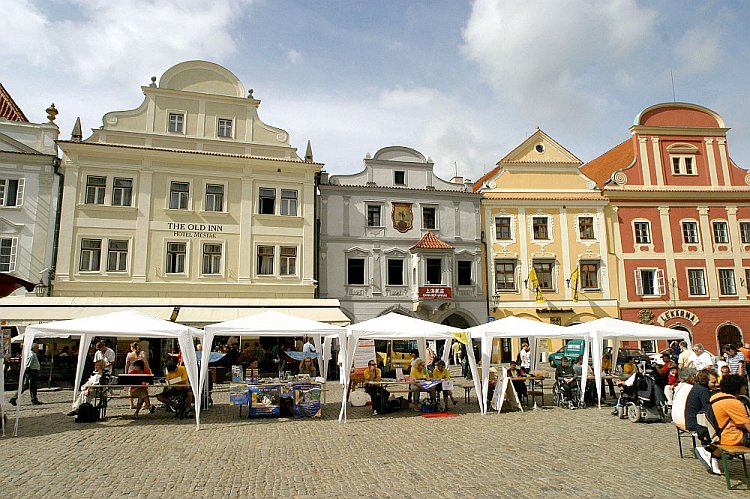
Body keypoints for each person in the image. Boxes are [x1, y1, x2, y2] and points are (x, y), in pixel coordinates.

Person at [711, 374, 750, 447]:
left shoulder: (716, 397)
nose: (746, 387)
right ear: (737, 387)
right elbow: (748, 425)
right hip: (731, 437)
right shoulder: (734, 403)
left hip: (717, 435)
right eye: (744, 385)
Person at [685, 368, 718, 445]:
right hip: (696, 425)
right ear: (705, 381)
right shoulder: (703, 391)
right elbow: (708, 410)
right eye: (713, 382)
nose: (716, 384)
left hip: (691, 421)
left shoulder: (698, 387)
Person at [124, 342, 149, 409]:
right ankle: (145, 404)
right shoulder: (142, 353)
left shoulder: (129, 354)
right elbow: (145, 362)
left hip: (131, 371)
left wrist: (126, 373)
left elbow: (127, 364)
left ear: (132, 347)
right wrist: (148, 370)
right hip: (141, 371)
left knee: (131, 387)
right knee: (144, 386)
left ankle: (131, 404)